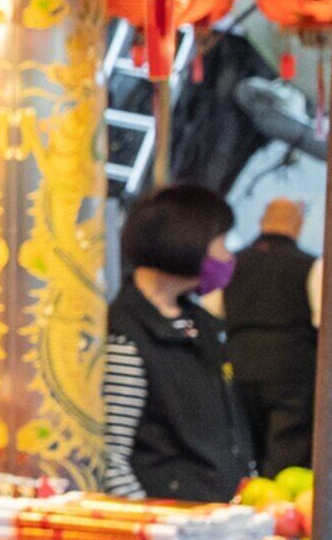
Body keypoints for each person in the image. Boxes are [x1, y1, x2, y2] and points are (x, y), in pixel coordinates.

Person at [101, 184, 252, 503]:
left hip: (213, 517)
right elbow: (112, 456)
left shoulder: (202, 324)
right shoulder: (126, 332)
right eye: (221, 243)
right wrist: (148, 524)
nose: (227, 257)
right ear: (185, 239)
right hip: (170, 526)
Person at [221, 198, 322, 476]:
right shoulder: (313, 266)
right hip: (291, 370)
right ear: (298, 225)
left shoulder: (231, 263)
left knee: (245, 450)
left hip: (239, 365)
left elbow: (213, 310)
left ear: (262, 221)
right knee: (287, 454)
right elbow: (325, 322)